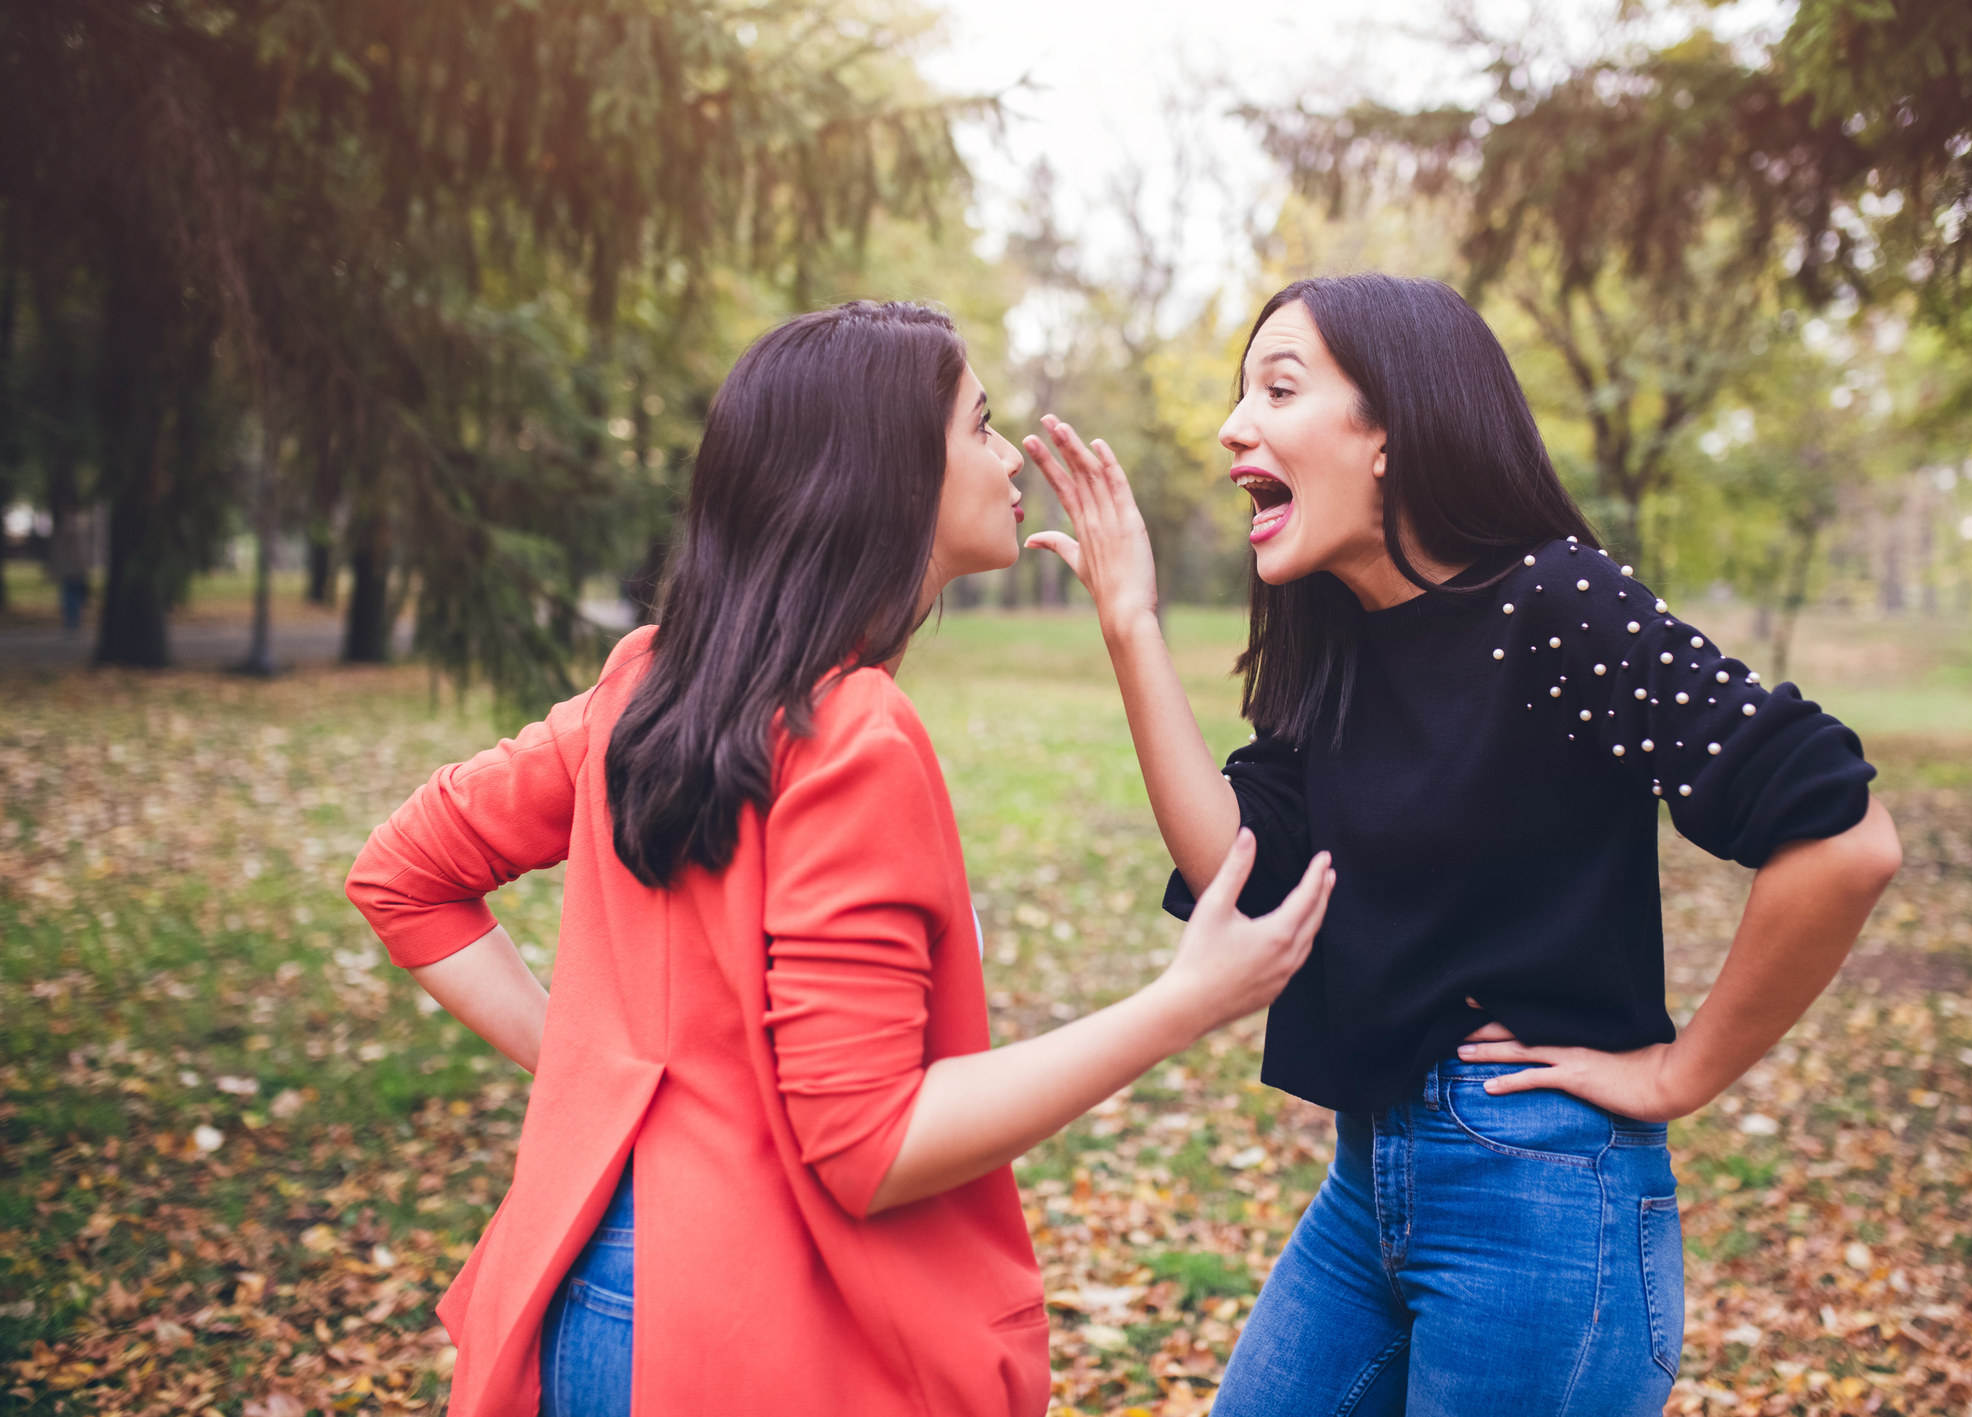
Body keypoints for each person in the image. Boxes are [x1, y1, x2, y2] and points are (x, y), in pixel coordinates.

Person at [345, 301, 1337, 1417]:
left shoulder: (646, 681)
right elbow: (871, 1146)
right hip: (741, 1342)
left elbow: (402, 874)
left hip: (587, 1305)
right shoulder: (853, 732)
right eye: (981, 424)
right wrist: (1186, 1000)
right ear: (889, 473)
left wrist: (611, 1077)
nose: (1011, 456)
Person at [1023, 273, 1903, 1416]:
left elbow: (1844, 840)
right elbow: (1237, 876)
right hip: (1367, 1184)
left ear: (1391, 430)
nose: (1234, 426)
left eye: (1278, 388)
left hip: (1540, 1198)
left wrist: (1682, 1073)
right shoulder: (1339, 635)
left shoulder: (1556, 605)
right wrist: (1132, 625)